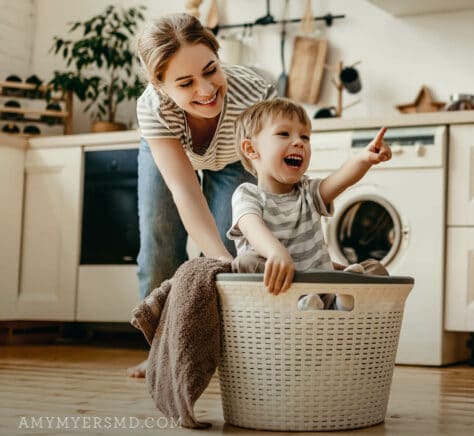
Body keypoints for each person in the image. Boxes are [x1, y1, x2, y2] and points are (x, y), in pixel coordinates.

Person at [128, 13, 276, 378]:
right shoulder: (153, 108)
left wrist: (235, 257)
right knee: (160, 240)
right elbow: (184, 192)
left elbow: (272, 175)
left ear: (217, 55)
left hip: (234, 158)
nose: (206, 90)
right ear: (160, 86)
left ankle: (227, 355)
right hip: (172, 149)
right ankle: (162, 351)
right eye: (186, 83)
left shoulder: (256, 94)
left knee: (234, 244)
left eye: (211, 70)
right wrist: (219, 259)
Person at [226, 98, 391, 309]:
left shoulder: (308, 193)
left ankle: (341, 302)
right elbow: (252, 228)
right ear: (251, 149)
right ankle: (310, 303)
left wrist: (364, 160)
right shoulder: (247, 194)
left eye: (305, 137)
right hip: (278, 293)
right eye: (284, 134)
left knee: (374, 269)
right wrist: (276, 253)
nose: (299, 142)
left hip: (322, 288)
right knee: (245, 264)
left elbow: (340, 179)